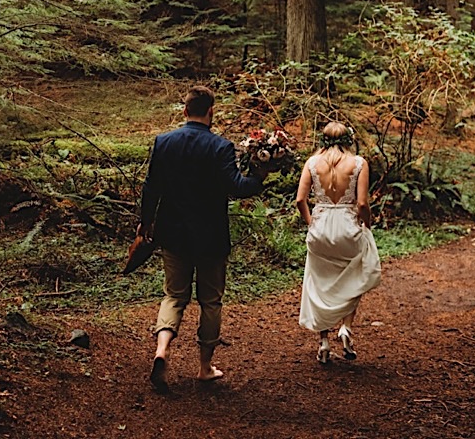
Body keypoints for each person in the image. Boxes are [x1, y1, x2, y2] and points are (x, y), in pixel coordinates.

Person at [139, 85, 267, 392]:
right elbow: (237, 186)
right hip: (210, 237)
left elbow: (150, 187)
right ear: (212, 111)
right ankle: (205, 367)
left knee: (173, 296)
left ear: (185, 111)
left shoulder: (164, 142)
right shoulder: (220, 147)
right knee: (210, 301)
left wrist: (146, 224)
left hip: (173, 234)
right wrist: (261, 176)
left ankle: (161, 350)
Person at [296, 121, 382, 364]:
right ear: (349, 139)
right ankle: (346, 328)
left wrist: (311, 222)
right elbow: (363, 204)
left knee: (320, 284)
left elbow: (300, 199)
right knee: (354, 277)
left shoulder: (312, 163)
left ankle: (323, 342)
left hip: (321, 226)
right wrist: (367, 224)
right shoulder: (358, 163)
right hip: (347, 225)